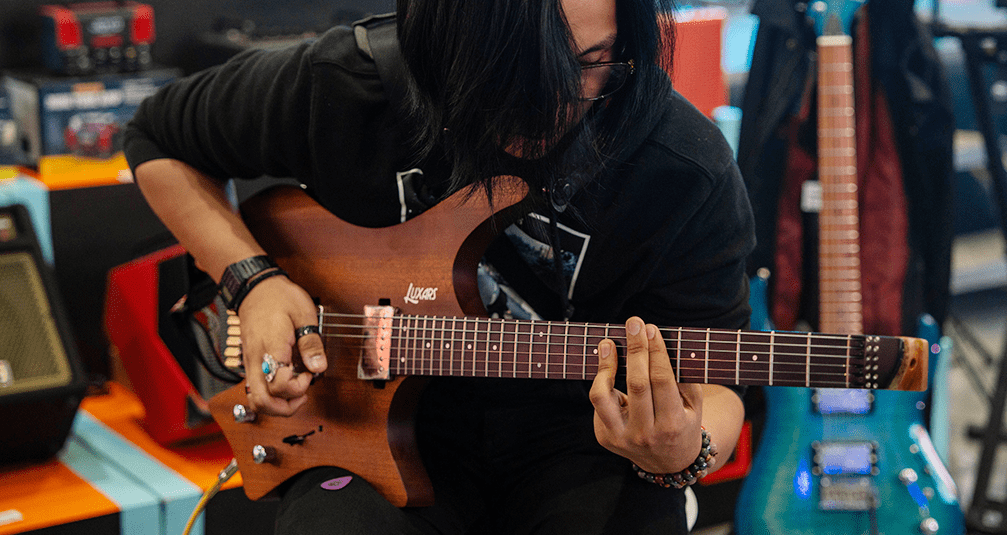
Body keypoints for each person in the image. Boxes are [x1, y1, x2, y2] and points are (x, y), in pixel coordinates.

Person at [124, 0, 755, 532]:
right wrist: (252, 281)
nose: (564, 103)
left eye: (594, 64)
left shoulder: (683, 165)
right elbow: (155, 141)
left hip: (582, 436)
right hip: (361, 421)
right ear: (446, 45)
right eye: (526, 75)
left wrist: (683, 452)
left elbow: (721, 372)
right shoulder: (348, 84)